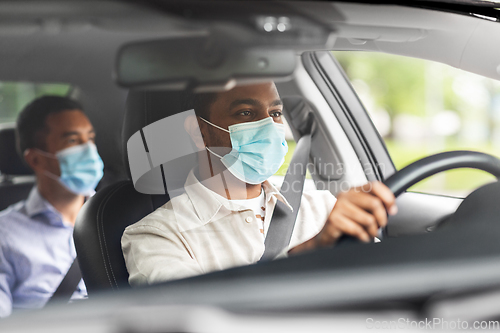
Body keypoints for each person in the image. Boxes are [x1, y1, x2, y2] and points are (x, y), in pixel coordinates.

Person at [121, 82, 397, 286]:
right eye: (245, 113)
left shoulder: (325, 207)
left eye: (275, 113)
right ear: (199, 131)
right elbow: (194, 318)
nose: (269, 125)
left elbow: (388, 285)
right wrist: (310, 254)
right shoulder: (156, 236)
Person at [0, 96, 104, 317]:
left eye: (91, 139)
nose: (89, 151)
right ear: (36, 160)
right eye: (73, 141)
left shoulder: (118, 217)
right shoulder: (4, 234)